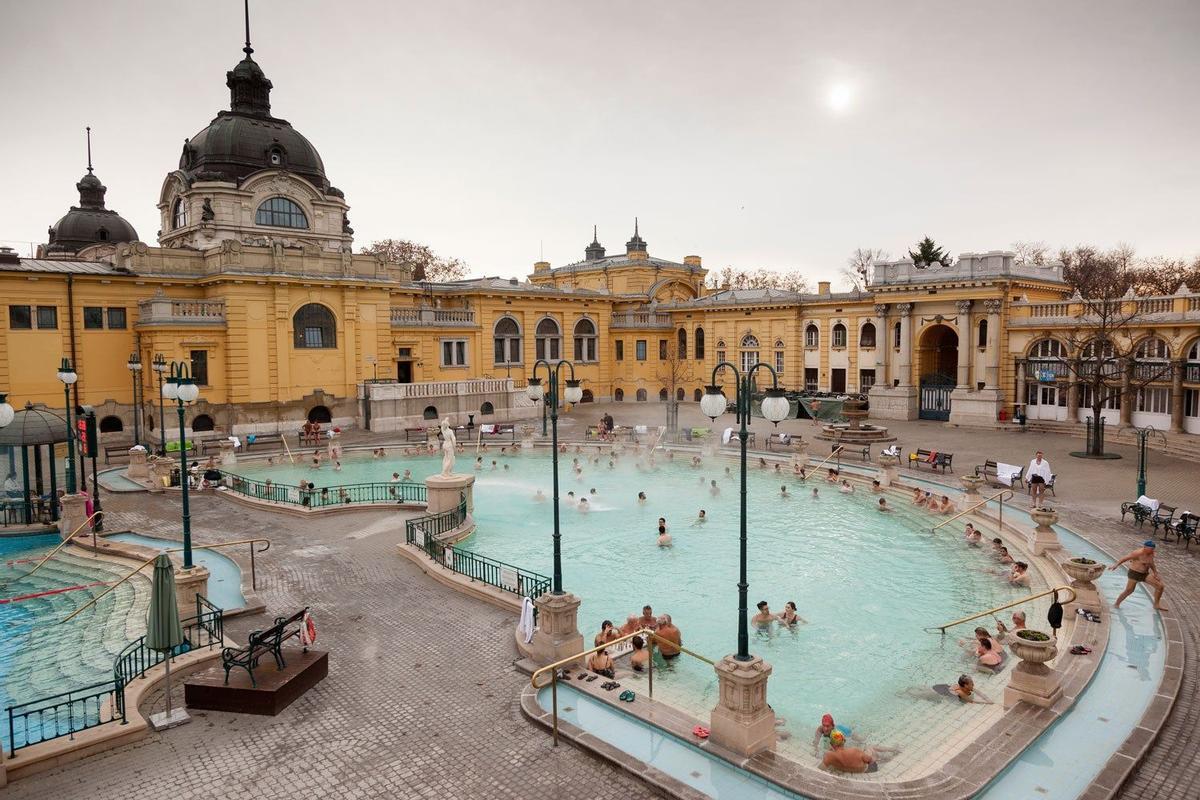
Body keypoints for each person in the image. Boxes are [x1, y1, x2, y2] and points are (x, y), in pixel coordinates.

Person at [1110, 541, 1168, 611]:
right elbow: (1124, 558)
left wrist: (1155, 573)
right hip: (1134, 574)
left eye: (1153, 549)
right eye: (1151, 549)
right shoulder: (1137, 553)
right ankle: (1116, 604)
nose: (1152, 551)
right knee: (1129, 590)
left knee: (1160, 586)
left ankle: (1156, 605)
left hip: (1145, 574)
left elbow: (1151, 563)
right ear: (1145, 547)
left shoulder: (1151, 553)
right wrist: (1116, 565)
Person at [822, 730, 896, 774]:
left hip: (851, 769)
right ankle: (892, 750)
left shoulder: (829, 756)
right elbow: (870, 760)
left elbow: (821, 769)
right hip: (868, 770)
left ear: (831, 744)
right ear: (844, 741)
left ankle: (886, 754)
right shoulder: (855, 751)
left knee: (867, 755)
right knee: (870, 747)